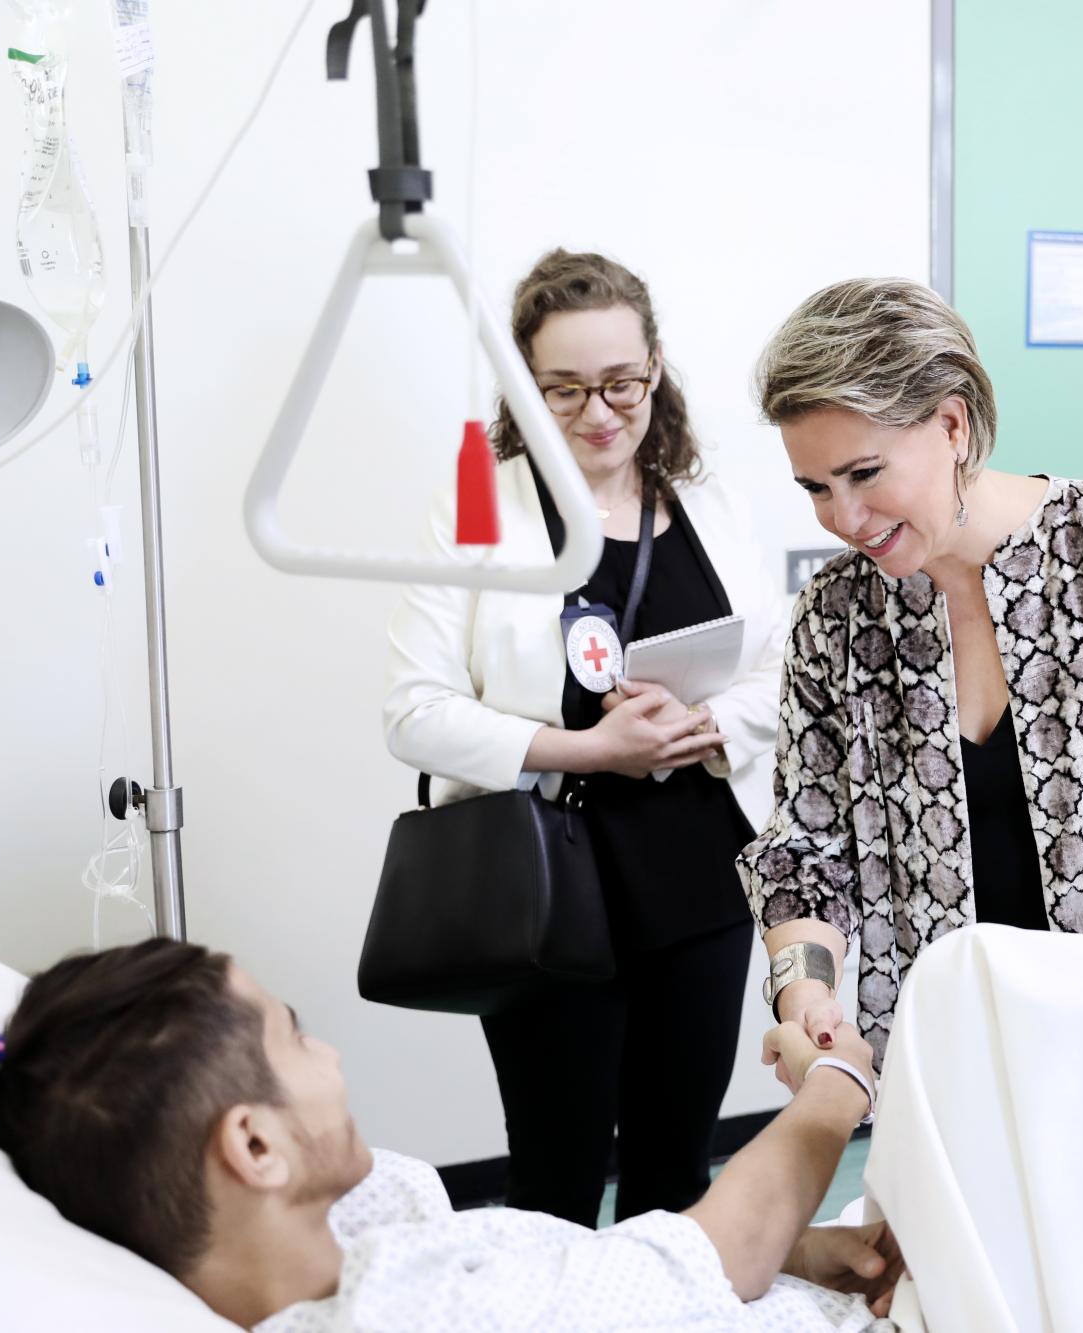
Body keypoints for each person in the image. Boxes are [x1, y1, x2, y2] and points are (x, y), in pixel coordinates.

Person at [738, 277, 1083, 1066]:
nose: (842, 518)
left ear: (951, 424)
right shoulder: (836, 615)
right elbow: (806, 850)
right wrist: (807, 996)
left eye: (865, 474)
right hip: (953, 1048)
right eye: (815, 488)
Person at [384, 250, 788, 1226]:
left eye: (620, 383)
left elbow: (778, 669)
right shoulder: (479, 499)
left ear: (655, 369)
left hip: (700, 874)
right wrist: (591, 751)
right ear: (522, 387)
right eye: (562, 390)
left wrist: (703, 723)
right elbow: (413, 709)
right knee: (555, 1179)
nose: (599, 413)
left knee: (674, 1172)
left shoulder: (710, 499)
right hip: (548, 888)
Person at [0, 937, 901, 1331]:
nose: (326, 1052)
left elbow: (599, 1271)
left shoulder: (357, 1249)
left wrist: (801, 1253)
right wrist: (838, 1085)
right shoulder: (411, 1313)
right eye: (293, 1035)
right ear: (252, 1148)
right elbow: (710, 1256)